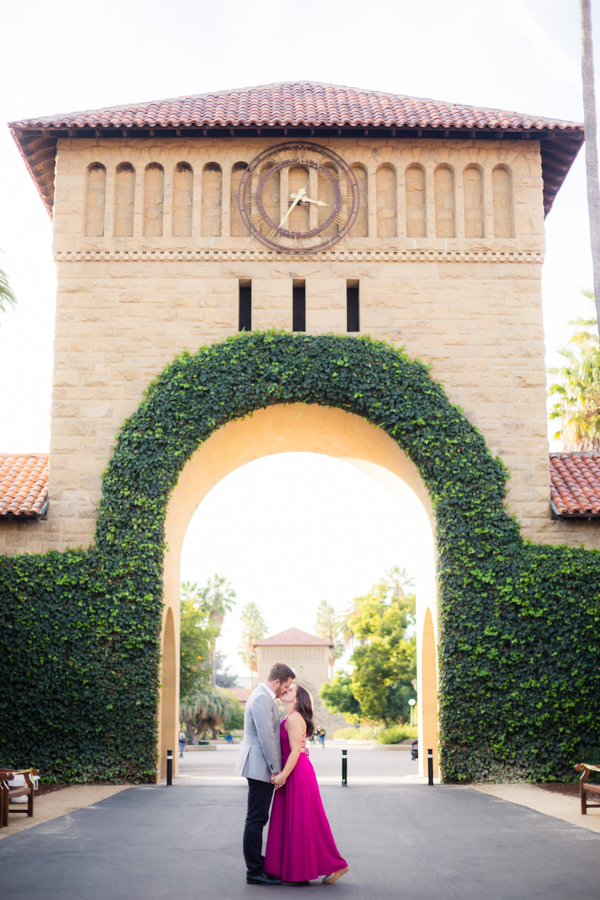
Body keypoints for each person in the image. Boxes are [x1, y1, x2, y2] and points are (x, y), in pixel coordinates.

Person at [264, 684, 349, 885]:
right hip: (294, 772)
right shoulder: (289, 717)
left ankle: (335, 864)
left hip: (296, 773)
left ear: (297, 699)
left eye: (291, 690)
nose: (285, 690)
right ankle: (329, 864)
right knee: (303, 820)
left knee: (303, 820)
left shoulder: (293, 718)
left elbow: (295, 751)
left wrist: (283, 776)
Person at [234, 662, 295, 886]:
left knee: (258, 817)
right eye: (286, 686)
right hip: (260, 766)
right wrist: (276, 769)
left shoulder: (265, 697)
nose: (286, 691)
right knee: (256, 818)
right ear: (277, 681)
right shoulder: (261, 698)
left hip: (261, 766)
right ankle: (254, 871)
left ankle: (257, 863)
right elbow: (266, 737)